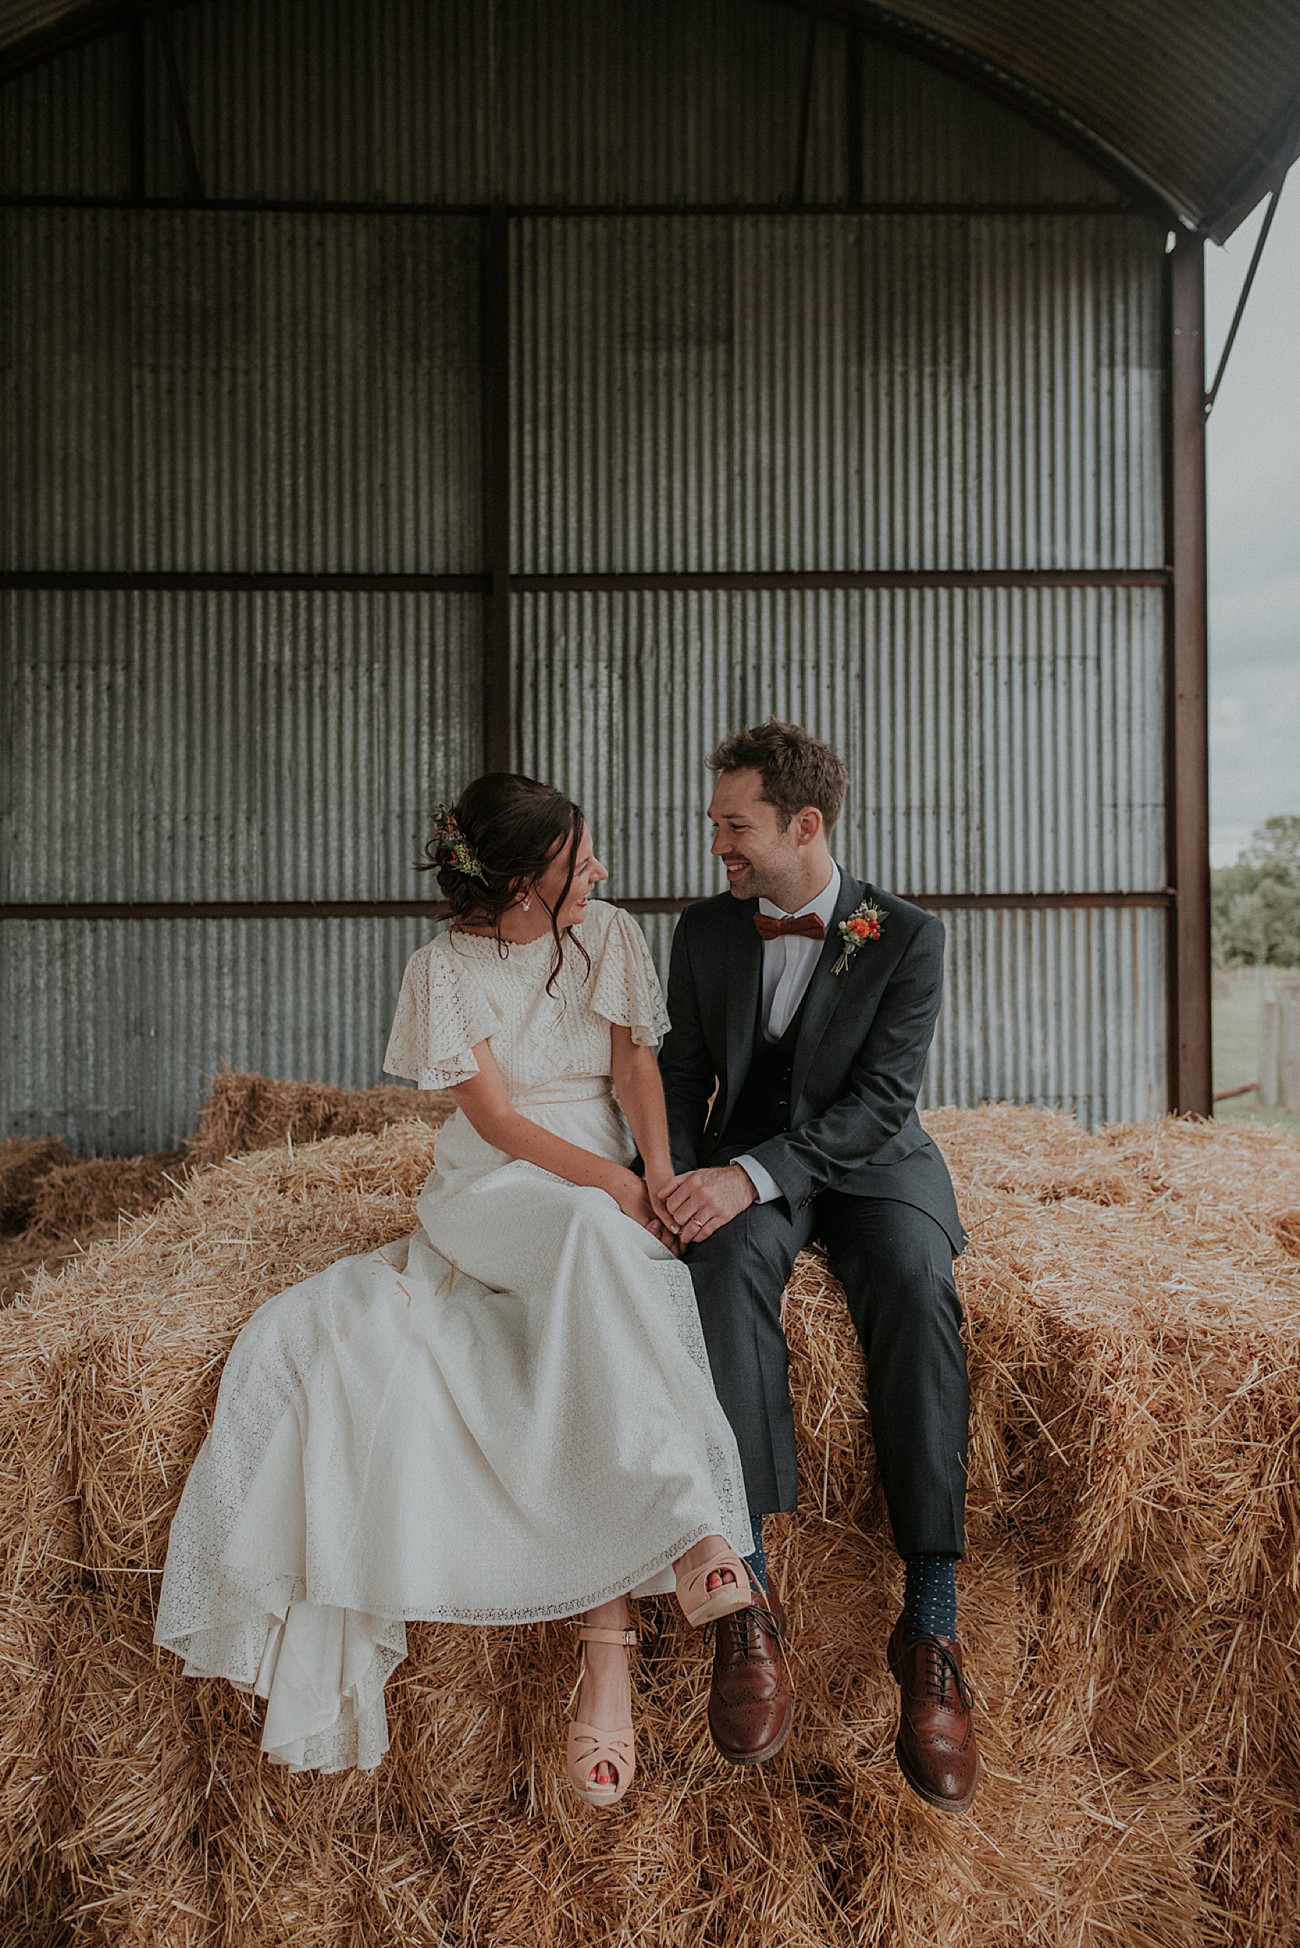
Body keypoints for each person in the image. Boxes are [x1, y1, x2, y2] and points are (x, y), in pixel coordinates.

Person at [154, 773, 753, 1805]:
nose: (603, 870)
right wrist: (611, 1186)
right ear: (522, 882)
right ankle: (689, 1525)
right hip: (501, 1184)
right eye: (579, 860)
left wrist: (655, 1174)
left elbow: (635, 1072)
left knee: (602, 1281)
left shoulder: (607, 933)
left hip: (606, 1169)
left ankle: (606, 1648)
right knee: (586, 1236)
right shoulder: (441, 969)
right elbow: (503, 1122)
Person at [657, 721, 979, 1814]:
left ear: (805, 825)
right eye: (715, 825)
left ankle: (929, 1622)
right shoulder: (702, 933)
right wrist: (671, 1181)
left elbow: (883, 1102)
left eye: (733, 825)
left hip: (873, 1160)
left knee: (915, 1284)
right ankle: (746, 1595)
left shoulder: (906, 934)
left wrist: (754, 1172)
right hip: (749, 1158)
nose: (718, 847)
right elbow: (680, 1072)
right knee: (719, 1263)